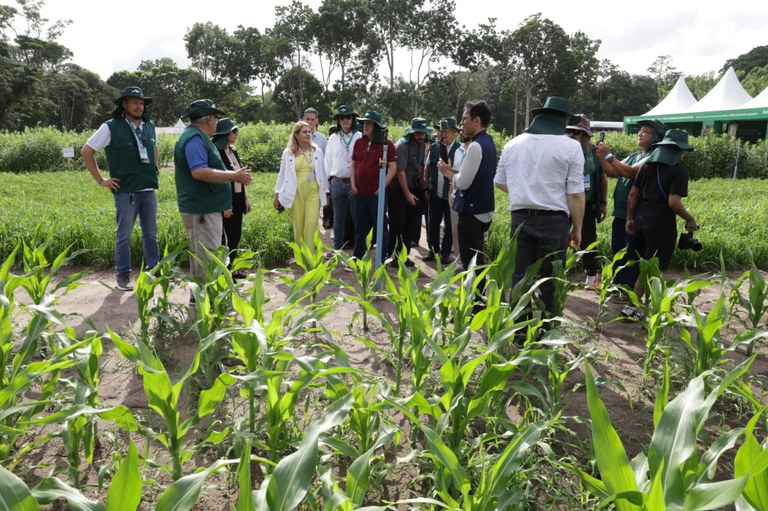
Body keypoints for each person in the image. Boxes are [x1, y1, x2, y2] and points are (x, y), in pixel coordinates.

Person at [494, 96, 585, 320]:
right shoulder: (571, 147)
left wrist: (525, 191)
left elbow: (499, 181)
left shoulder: (512, 144)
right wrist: (577, 229)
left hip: (520, 219)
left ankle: (518, 333)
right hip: (554, 222)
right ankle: (545, 333)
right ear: (563, 120)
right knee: (550, 281)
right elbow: (575, 194)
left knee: (519, 278)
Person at [81, 86, 159, 291]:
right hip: (126, 191)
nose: (139, 106)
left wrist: (155, 168)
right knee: (124, 234)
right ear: (124, 104)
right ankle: (123, 276)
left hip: (148, 189)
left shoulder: (150, 125)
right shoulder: (111, 126)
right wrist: (101, 180)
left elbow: (155, 148)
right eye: (134, 102)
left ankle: (154, 272)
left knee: (151, 233)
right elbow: (87, 151)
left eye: (141, 102)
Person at [621, 129, 699, 319]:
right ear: (681, 151)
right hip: (661, 223)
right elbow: (673, 202)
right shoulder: (679, 170)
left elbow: (633, 193)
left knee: (641, 263)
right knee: (652, 267)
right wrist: (690, 219)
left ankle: (639, 304)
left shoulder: (647, 165)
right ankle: (632, 308)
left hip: (640, 217)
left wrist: (630, 218)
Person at [174, 99, 253, 281]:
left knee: (205, 261)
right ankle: (205, 305)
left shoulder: (199, 138)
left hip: (206, 209)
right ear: (208, 119)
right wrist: (233, 176)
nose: (217, 122)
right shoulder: (194, 139)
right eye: (216, 117)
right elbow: (199, 171)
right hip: (202, 211)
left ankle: (201, 304)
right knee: (207, 263)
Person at [596, 119, 666, 299]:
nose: (640, 134)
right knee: (618, 248)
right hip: (621, 213)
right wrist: (601, 156)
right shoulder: (636, 154)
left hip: (635, 215)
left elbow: (629, 172)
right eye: (640, 131)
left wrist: (609, 156)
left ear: (656, 137)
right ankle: (618, 285)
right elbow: (613, 172)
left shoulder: (653, 156)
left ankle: (628, 290)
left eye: (645, 131)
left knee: (631, 252)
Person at [438, 100, 496, 310]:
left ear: (476, 120)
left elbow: (463, 183)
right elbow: (474, 174)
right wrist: (454, 171)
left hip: (471, 213)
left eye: (464, 118)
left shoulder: (475, 146)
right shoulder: (488, 142)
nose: (461, 123)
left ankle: (472, 307)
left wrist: (447, 175)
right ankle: (477, 303)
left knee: (470, 262)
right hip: (482, 211)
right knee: (477, 260)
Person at [566, 114, 608, 291]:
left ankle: (592, 277)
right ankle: (553, 274)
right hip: (564, 204)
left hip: (588, 205)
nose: (572, 135)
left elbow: (603, 177)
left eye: (577, 132)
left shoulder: (594, 154)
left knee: (588, 241)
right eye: (570, 132)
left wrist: (604, 203)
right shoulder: (563, 150)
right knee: (559, 239)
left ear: (586, 135)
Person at [350, 110, 398, 264]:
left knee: (381, 227)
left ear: (376, 126)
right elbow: (353, 164)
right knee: (359, 227)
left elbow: (393, 168)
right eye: (364, 123)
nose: (365, 126)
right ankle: (358, 258)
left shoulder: (387, 144)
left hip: (377, 195)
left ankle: (381, 258)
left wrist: (381, 189)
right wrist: (353, 185)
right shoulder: (359, 142)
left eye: (369, 123)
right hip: (360, 193)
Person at [274, 121, 329, 245]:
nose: (308, 134)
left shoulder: (317, 151)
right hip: (295, 194)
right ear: (297, 135)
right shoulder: (288, 153)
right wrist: (276, 195)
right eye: (304, 132)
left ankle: (310, 258)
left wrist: (326, 193)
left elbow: (323, 174)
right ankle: (300, 258)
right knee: (298, 227)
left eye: (309, 132)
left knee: (311, 224)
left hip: (313, 193)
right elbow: (281, 175)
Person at [212, 117, 251, 277]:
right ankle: (224, 272)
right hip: (226, 200)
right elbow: (221, 181)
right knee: (225, 238)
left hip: (238, 197)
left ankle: (232, 269)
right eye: (233, 131)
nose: (236, 133)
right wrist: (225, 204)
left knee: (236, 235)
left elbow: (240, 175)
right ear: (224, 134)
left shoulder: (233, 151)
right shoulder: (217, 153)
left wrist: (245, 199)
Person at [389, 117, 429, 266]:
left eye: (423, 133)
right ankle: (392, 256)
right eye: (418, 133)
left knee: (410, 225)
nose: (421, 136)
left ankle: (403, 256)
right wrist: (407, 195)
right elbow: (400, 172)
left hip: (414, 187)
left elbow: (419, 166)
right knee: (398, 224)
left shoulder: (420, 145)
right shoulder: (402, 146)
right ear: (412, 132)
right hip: (398, 189)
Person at [324, 105, 362, 250]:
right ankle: (337, 247)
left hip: (355, 184)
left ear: (353, 119)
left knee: (357, 218)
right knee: (338, 219)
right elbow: (327, 162)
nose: (345, 120)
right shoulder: (333, 138)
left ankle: (359, 249)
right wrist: (328, 186)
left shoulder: (359, 137)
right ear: (338, 121)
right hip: (337, 184)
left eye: (348, 117)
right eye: (342, 117)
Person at [425, 117, 461, 264]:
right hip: (435, 193)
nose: (442, 134)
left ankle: (445, 253)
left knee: (449, 226)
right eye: (441, 130)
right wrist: (426, 186)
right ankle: (433, 251)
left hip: (451, 195)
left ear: (453, 132)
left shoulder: (459, 149)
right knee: (432, 223)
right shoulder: (435, 147)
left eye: (446, 131)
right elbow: (427, 167)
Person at [303, 107, 331, 230]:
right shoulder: (296, 138)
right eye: (307, 119)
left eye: (312, 119)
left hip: (316, 181)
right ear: (303, 120)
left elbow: (326, 161)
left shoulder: (322, 139)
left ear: (317, 121)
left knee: (314, 211)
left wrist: (326, 184)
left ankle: (312, 239)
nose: (309, 122)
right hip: (302, 180)